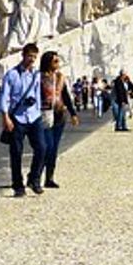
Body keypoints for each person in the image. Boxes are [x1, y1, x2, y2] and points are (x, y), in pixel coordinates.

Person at [0, 42, 48, 197]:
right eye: (30, 56)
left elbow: (37, 93)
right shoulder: (12, 75)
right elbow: (4, 97)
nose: (32, 60)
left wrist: (39, 110)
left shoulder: (36, 74)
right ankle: (17, 185)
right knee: (16, 153)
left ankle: (34, 178)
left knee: (42, 148)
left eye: (34, 57)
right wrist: (5, 117)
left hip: (34, 116)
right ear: (23, 55)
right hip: (17, 118)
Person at [38, 50, 79, 189]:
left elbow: (66, 96)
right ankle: (35, 176)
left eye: (58, 61)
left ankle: (49, 178)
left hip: (59, 115)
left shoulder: (60, 77)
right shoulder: (39, 78)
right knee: (46, 147)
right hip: (44, 115)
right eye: (55, 61)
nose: (58, 64)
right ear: (47, 62)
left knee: (54, 149)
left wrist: (73, 114)